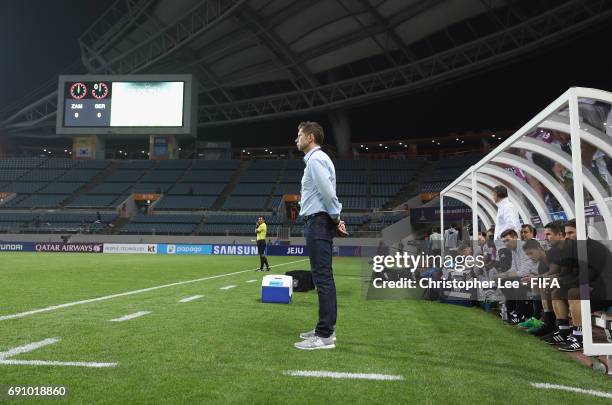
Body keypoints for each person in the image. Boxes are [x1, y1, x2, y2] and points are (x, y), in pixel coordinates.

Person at [293, 121, 346, 351]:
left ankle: (325, 335)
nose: (296, 139)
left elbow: (327, 192)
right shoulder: (316, 160)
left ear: (311, 137)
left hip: (319, 222)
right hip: (319, 221)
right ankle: (324, 330)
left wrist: (336, 218)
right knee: (322, 277)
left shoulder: (315, 160)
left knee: (323, 278)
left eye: (299, 134)